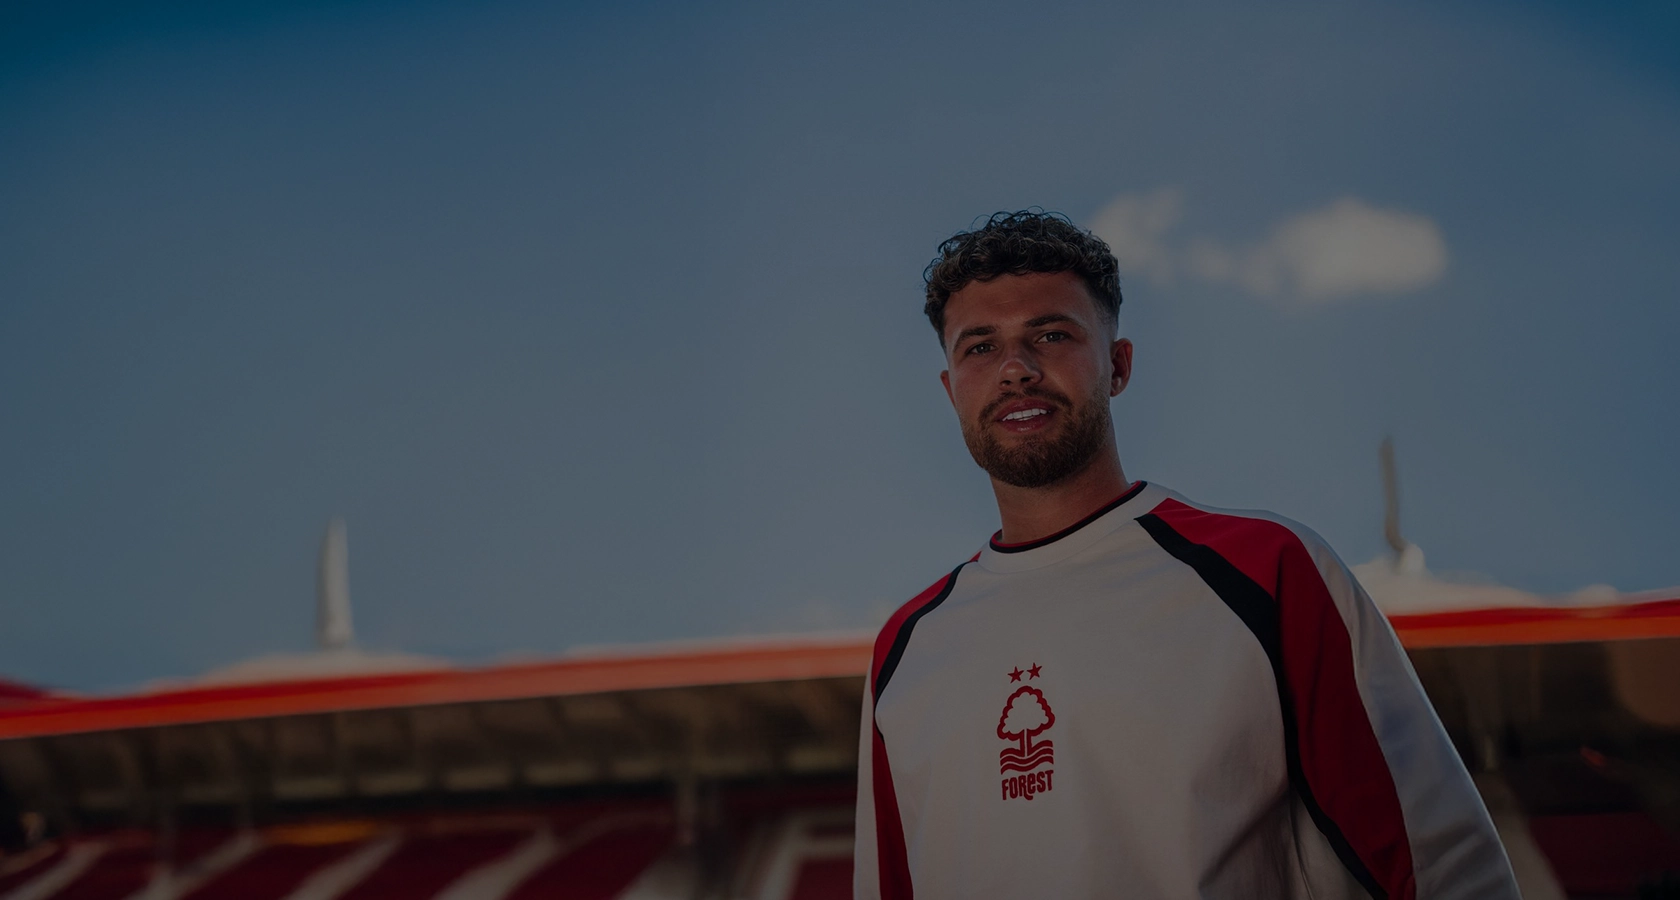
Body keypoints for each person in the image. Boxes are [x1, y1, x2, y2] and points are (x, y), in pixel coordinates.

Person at [852, 211, 1519, 899]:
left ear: (1118, 365)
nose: (1016, 369)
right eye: (980, 348)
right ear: (951, 390)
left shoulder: (1269, 569)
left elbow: (1442, 871)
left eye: (1051, 335)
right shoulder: (907, 648)